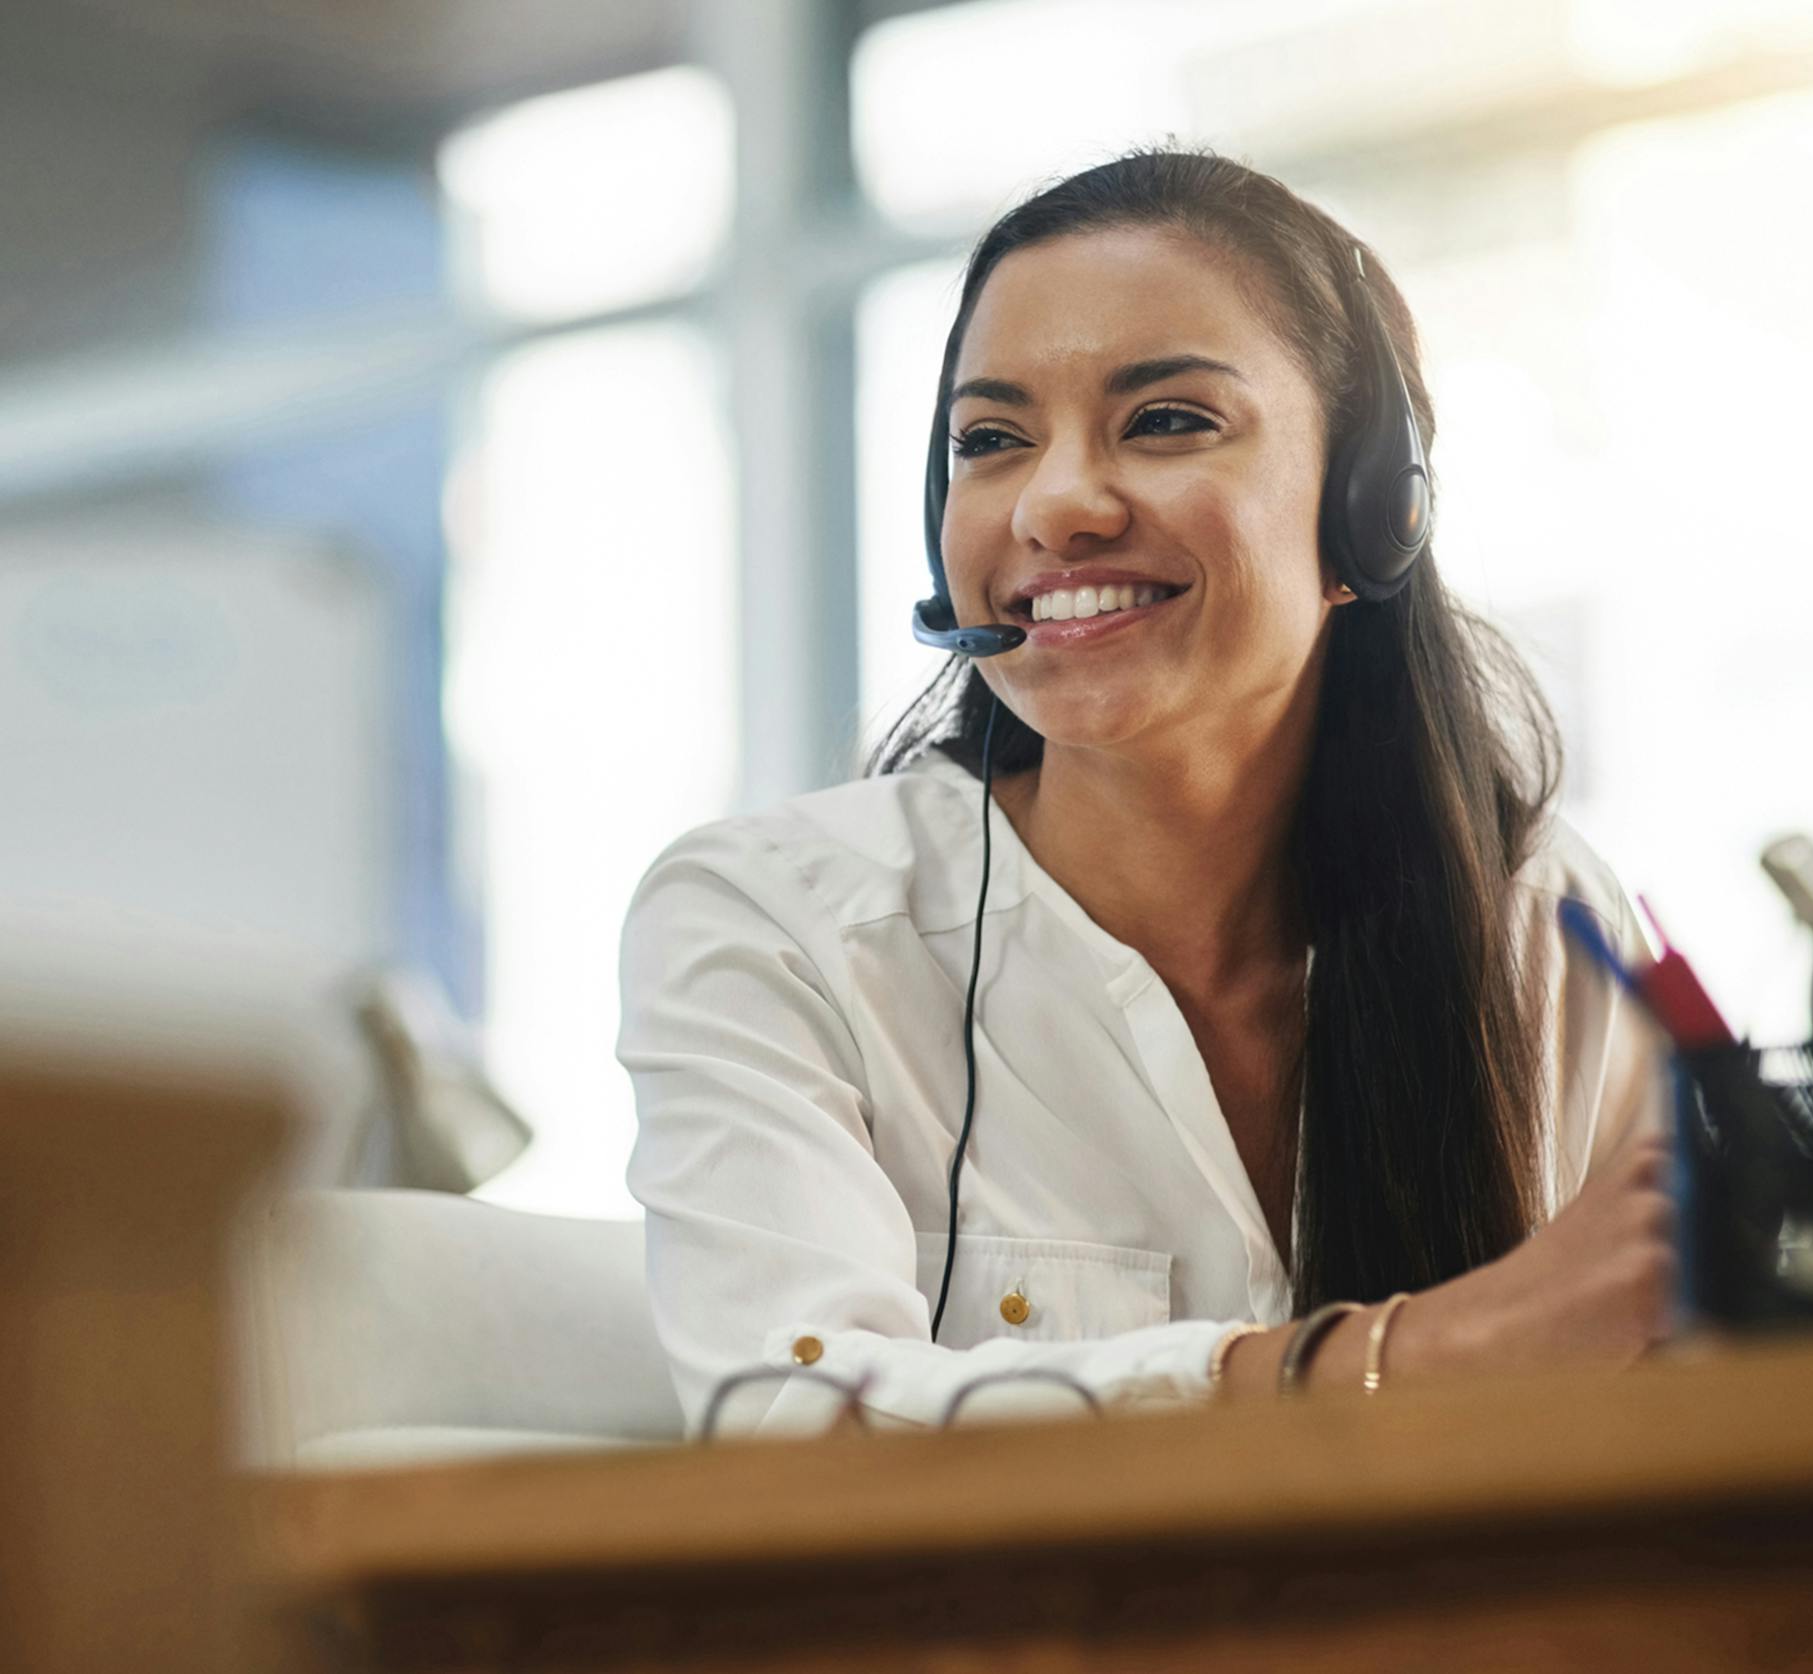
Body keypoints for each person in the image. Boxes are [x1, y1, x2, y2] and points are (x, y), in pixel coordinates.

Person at [619, 148, 1673, 1437]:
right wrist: (1394, 1360)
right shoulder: (775, 922)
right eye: (992, 441)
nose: (1056, 506)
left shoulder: (1546, 924)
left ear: (1369, 508)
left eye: (1167, 420)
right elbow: (787, 1423)